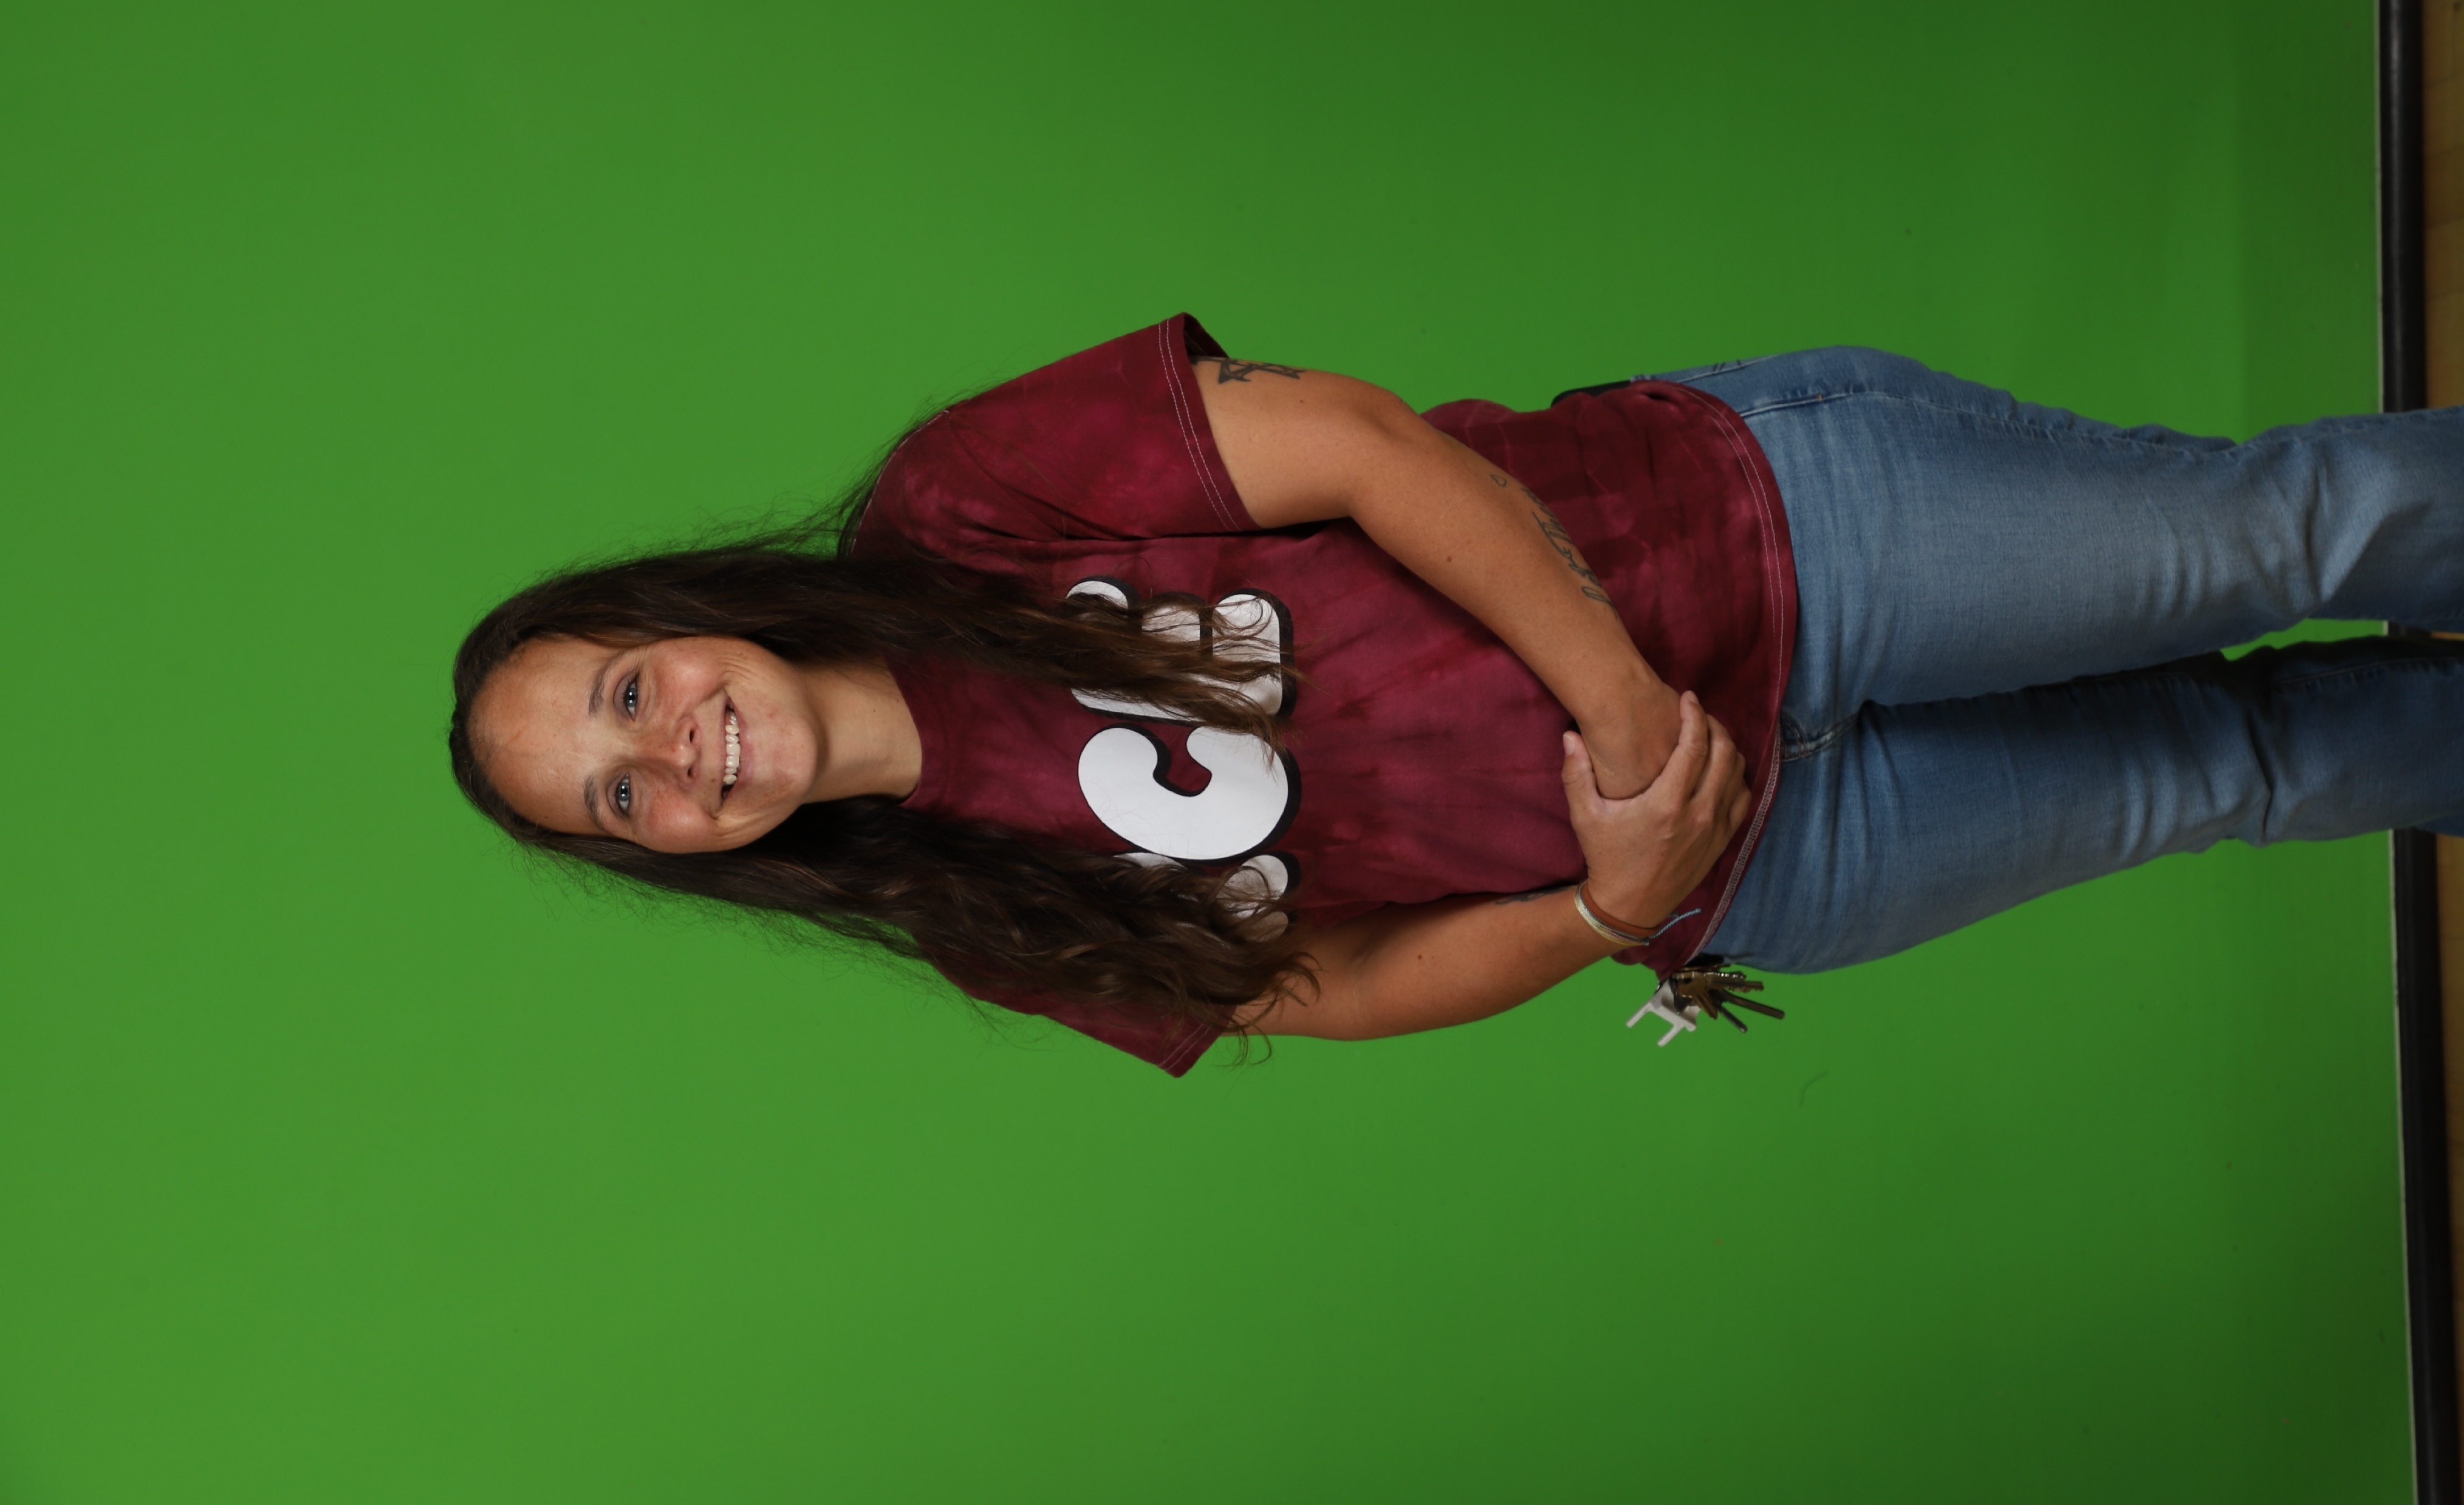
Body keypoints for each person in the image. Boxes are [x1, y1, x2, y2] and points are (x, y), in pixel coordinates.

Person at [448, 316, 2464, 1075]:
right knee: (2239, 764)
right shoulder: (994, 926)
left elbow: (1356, 446)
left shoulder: (962, 504)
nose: (672, 752)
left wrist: (1623, 720)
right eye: (620, 797)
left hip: (1773, 541)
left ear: (677, 618)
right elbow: (1337, 989)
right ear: (681, 852)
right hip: (1760, 865)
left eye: (627, 694)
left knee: (2281, 537)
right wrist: (1607, 904)